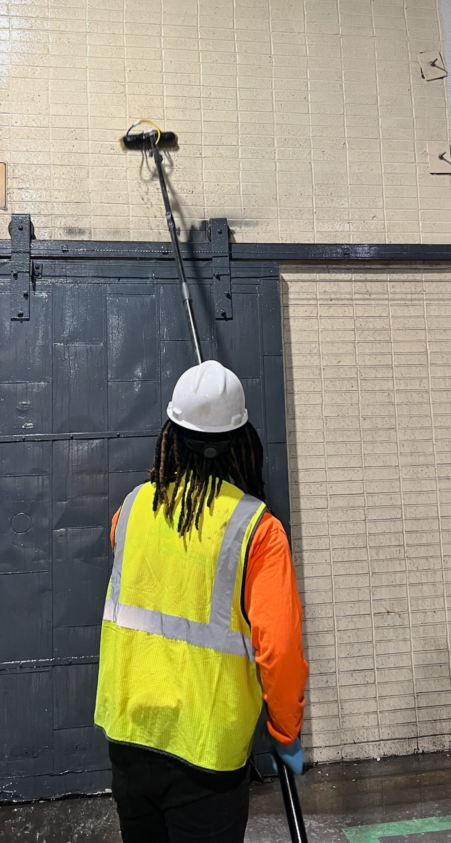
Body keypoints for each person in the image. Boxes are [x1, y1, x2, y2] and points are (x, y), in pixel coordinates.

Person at [94, 359, 308, 843]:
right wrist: (286, 730)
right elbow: (278, 650)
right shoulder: (258, 530)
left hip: (130, 738)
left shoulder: (130, 511)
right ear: (241, 442)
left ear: (170, 433)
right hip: (206, 753)